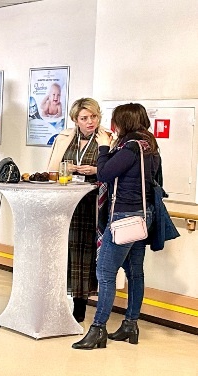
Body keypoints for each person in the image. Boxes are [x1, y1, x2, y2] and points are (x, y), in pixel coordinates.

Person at [73, 103, 161, 350]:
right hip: (143, 215)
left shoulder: (131, 147)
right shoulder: (149, 145)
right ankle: (130, 324)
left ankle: (98, 328)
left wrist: (103, 147)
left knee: (105, 271)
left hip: (125, 216)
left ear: (124, 122)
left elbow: (104, 173)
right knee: (135, 271)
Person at [46, 98, 114, 323]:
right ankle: (63, 300)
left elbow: (113, 170)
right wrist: (68, 168)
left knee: (88, 255)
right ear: (75, 119)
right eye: (84, 118)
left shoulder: (107, 138)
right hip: (68, 204)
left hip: (94, 204)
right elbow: (52, 169)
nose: (90, 122)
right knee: (67, 252)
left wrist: (95, 169)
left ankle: (81, 305)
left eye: (93, 117)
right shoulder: (65, 138)